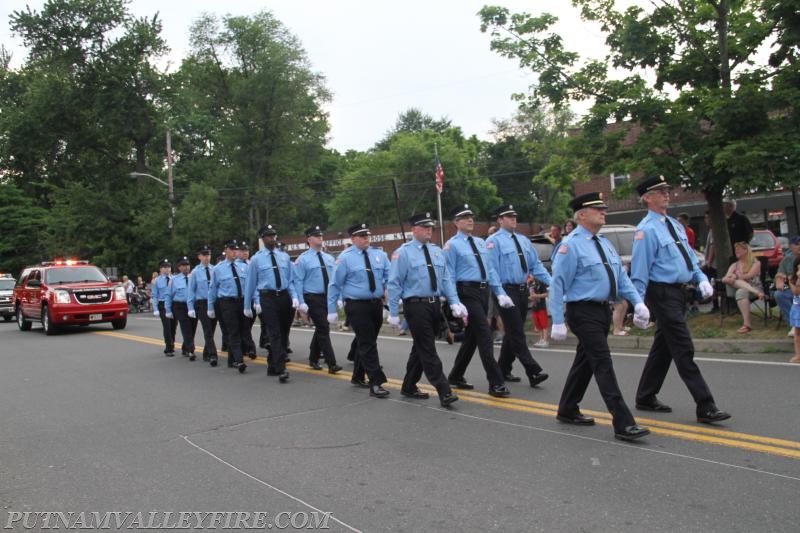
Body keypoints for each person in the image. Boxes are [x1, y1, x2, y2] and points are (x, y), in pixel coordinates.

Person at [549, 192, 651, 442]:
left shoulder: (604, 243)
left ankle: (567, 407)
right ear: (582, 215)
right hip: (582, 311)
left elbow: (622, 278)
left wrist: (638, 303)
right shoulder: (570, 245)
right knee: (602, 362)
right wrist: (557, 320)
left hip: (601, 310)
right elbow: (557, 284)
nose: (604, 212)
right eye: (598, 209)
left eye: (604, 209)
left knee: (585, 360)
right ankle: (623, 422)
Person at [630, 175, 730, 424]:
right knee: (683, 347)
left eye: (667, 190)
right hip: (661, 293)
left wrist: (701, 278)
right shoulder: (646, 230)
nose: (666, 194)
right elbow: (640, 272)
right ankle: (705, 405)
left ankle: (645, 395)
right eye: (660, 191)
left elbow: (688, 258)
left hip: (679, 291)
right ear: (647, 198)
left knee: (664, 347)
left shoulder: (673, 225)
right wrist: (638, 304)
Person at [388, 212, 465, 407]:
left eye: (430, 226)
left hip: (434, 305)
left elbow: (446, 278)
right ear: (414, 229)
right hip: (415, 305)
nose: (429, 229)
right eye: (424, 226)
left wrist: (454, 302)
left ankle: (408, 385)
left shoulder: (437, 251)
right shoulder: (403, 252)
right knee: (428, 349)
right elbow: (395, 283)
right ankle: (444, 390)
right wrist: (393, 312)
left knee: (421, 347)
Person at [442, 204, 512, 397]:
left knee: (472, 337)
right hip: (466, 293)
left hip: (483, 292)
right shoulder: (452, 245)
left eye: (471, 216)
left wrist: (500, 292)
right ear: (456, 222)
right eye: (464, 217)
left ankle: (456, 375)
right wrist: (454, 301)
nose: (470, 219)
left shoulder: (481, 243)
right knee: (484, 334)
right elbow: (448, 274)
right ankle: (496, 382)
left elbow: (490, 270)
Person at [486, 203, 551, 388]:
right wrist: (499, 293)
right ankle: (533, 371)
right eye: (508, 216)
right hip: (506, 291)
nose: (513, 218)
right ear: (500, 220)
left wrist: (551, 282)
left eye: (514, 215)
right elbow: (491, 270)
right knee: (517, 332)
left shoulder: (523, 240)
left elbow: (535, 265)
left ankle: (503, 369)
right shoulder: (493, 241)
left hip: (522, 290)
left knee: (513, 333)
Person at [328, 223, 391, 398]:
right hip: (356, 306)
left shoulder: (379, 254)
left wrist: (392, 298)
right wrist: (332, 309)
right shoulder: (345, 258)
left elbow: (388, 277)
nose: (366, 239)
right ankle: (376, 382)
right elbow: (335, 284)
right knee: (368, 343)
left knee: (368, 340)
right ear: (353, 239)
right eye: (362, 236)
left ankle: (357, 376)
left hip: (375, 304)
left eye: (367, 236)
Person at [245, 225, 298, 383]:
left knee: (283, 333)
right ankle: (282, 369)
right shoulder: (256, 259)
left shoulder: (284, 257)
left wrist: (295, 297)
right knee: (274, 332)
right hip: (267, 298)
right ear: (262, 238)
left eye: (274, 235)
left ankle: (272, 365)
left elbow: (291, 280)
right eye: (268, 236)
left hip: (284, 297)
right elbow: (250, 284)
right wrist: (248, 305)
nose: (272, 238)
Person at [294, 225, 342, 374]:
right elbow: (298, 281)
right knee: (323, 327)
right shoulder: (303, 259)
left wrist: (338, 297)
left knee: (322, 327)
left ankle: (313, 357)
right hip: (313, 297)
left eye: (321, 235)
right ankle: (331, 363)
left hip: (328, 296)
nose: (320, 237)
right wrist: (301, 302)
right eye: (316, 236)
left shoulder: (328, 257)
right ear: (309, 239)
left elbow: (335, 280)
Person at [208, 240, 249, 374]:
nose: (234, 252)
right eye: (232, 250)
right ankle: (239, 360)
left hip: (241, 301)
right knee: (233, 331)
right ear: (226, 250)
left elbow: (248, 287)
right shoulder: (218, 268)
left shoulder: (243, 267)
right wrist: (210, 307)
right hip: (227, 302)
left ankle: (232, 359)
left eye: (236, 250)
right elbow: (213, 288)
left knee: (243, 330)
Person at [721, 241, 764, 333]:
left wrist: (735, 276)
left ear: (745, 250)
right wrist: (730, 278)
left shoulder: (756, 263)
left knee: (741, 291)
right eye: (735, 249)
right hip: (736, 289)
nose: (736, 251)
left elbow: (748, 276)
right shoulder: (734, 265)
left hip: (753, 288)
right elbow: (725, 278)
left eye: (738, 249)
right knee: (736, 283)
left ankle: (747, 325)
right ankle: (758, 294)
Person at [188, 245, 218, 366]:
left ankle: (206, 352)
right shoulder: (195, 272)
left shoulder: (215, 269)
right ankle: (212, 355)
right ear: (199, 256)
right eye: (204, 255)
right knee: (207, 330)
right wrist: (190, 307)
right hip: (202, 303)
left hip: (214, 302)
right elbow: (191, 290)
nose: (207, 257)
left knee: (213, 328)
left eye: (209, 255)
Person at [165, 256, 197, 359]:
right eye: (183, 265)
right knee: (186, 327)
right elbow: (169, 295)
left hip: (192, 305)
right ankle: (191, 350)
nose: (186, 267)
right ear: (179, 267)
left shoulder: (194, 277)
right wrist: (168, 310)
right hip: (180, 306)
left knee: (192, 327)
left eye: (187, 265)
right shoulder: (174, 280)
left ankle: (185, 347)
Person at [772, 236, 800, 335]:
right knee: (779, 294)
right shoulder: (787, 259)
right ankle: (794, 324)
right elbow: (779, 274)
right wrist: (779, 280)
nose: (799, 246)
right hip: (791, 287)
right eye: (797, 244)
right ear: (791, 247)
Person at [151, 259, 176, 357]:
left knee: (173, 326)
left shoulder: (174, 279)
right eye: (164, 267)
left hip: (173, 304)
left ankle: (172, 343)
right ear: (160, 269)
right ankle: (168, 347)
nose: (167, 269)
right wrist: (156, 308)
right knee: (167, 326)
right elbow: (155, 295)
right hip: (163, 304)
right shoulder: (156, 281)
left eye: (168, 267)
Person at [237, 241, 257, 360]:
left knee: (248, 325)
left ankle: (244, 346)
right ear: (237, 252)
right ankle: (250, 348)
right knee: (244, 325)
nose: (245, 253)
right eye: (242, 250)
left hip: (254, 300)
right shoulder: (235, 266)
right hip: (242, 300)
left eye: (247, 250)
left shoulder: (252, 264)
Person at [788, 257, 800, 363]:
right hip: (798, 308)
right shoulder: (793, 279)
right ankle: (798, 355)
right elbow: (796, 292)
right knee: (797, 333)